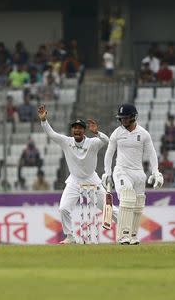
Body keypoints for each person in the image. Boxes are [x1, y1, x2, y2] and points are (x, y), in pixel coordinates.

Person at [38, 105, 118, 244]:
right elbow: (51, 134)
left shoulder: (92, 143)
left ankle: (125, 231)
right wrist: (44, 121)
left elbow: (108, 142)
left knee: (108, 209)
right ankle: (70, 236)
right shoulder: (66, 142)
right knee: (63, 209)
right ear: (72, 130)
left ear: (84, 130)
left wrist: (98, 132)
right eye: (75, 128)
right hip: (74, 181)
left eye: (80, 128)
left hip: (92, 179)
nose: (77, 130)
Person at [103, 103, 163, 245]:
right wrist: (107, 173)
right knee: (127, 197)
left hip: (138, 173)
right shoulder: (117, 133)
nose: (123, 120)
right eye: (121, 118)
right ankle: (123, 236)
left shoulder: (143, 134)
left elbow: (152, 153)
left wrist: (156, 172)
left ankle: (133, 236)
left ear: (133, 117)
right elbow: (109, 153)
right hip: (122, 171)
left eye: (125, 117)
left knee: (138, 203)